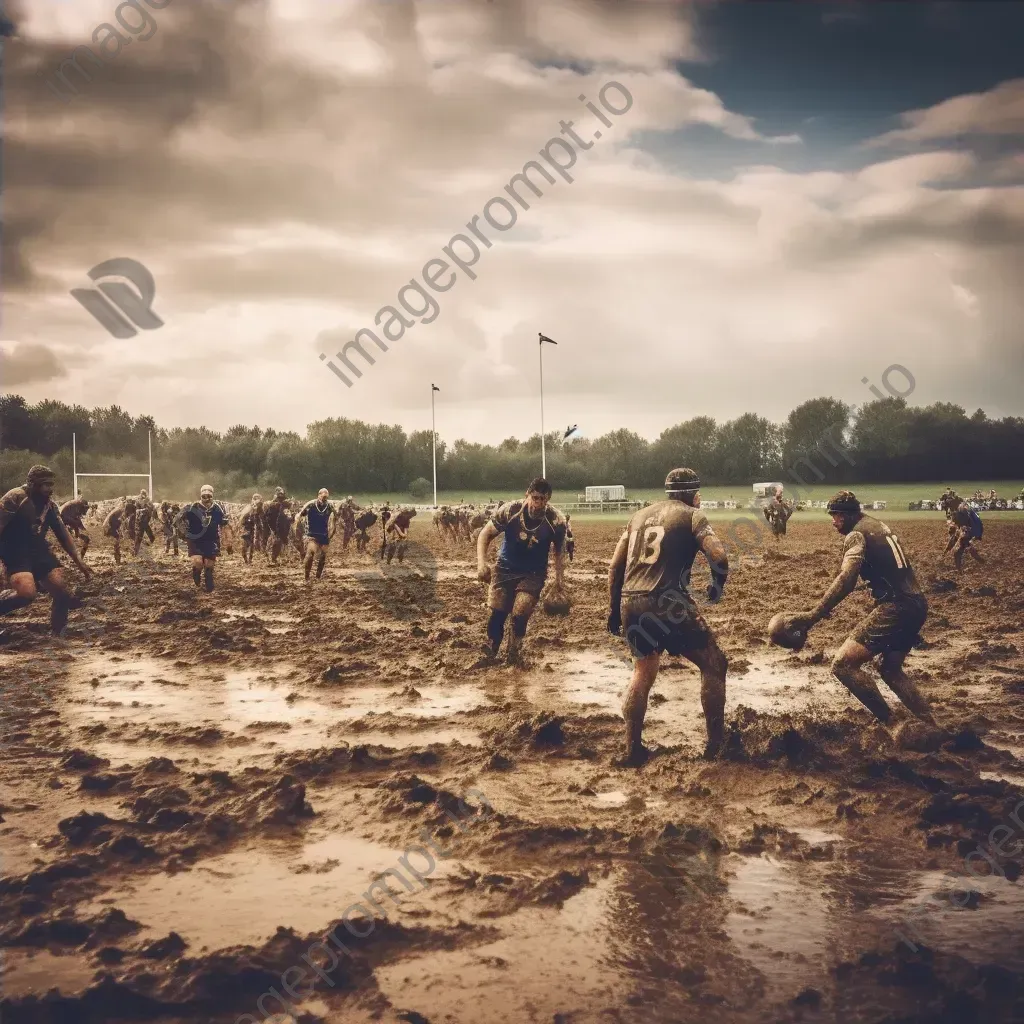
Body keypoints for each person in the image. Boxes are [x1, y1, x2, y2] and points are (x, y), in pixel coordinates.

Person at [607, 467, 730, 765]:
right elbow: (719, 556)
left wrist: (613, 610)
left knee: (642, 673)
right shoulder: (691, 515)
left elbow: (614, 568)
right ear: (693, 493)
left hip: (631, 603)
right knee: (714, 663)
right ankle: (716, 746)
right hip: (667, 602)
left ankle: (632, 749)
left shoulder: (637, 517)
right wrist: (716, 585)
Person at [787, 491, 939, 730]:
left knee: (843, 665)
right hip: (916, 604)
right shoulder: (877, 525)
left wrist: (813, 615)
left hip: (896, 606)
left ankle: (893, 725)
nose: (832, 521)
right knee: (890, 670)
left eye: (835, 516)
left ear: (847, 515)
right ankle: (930, 723)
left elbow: (846, 579)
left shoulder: (856, 534)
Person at [476, 477, 566, 665]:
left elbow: (559, 551)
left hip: (533, 572)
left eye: (543, 499)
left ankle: (513, 654)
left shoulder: (556, 520)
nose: (538, 503)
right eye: (535, 498)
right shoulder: (510, 511)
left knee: (520, 610)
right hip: (505, 567)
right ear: (527, 494)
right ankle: (491, 650)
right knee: (497, 612)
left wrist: (558, 580)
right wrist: (482, 563)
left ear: (548, 500)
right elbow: (485, 534)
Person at [0, 465, 93, 635]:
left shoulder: (49, 505)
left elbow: (62, 534)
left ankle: (58, 634)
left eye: (51, 484)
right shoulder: (15, 498)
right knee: (27, 593)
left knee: (62, 592)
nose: (50, 489)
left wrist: (79, 561)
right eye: (45, 484)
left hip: (38, 548)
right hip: (14, 549)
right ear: (33, 484)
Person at [174, 484, 229, 592]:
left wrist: (227, 540)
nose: (206, 499)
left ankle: (209, 586)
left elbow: (223, 523)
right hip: (195, 540)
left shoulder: (217, 508)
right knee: (198, 562)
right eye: (204, 496)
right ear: (201, 496)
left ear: (212, 496)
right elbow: (177, 519)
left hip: (211, 539)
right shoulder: (192, 507)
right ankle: (196, 574)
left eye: (209, 496)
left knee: (209, 565)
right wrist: (184, 532)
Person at [296, 489, 335, 581]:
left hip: (324, 534)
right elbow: (300, 515)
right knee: (310, 554)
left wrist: (332, 531)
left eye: (326, 497)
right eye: (323, 497)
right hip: (311, 533)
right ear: (319, 495)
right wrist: (298, 528)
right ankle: (307, 577)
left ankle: (318, 576)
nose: (324, 499)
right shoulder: (311, 505)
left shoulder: (329, 506)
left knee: (323, 556)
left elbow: (335, 517)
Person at [944, 498, 985, 570]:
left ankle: (959, 570)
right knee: (965, 545)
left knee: (958, 553)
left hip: (966, 532)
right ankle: (981, 561)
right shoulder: (961, 511)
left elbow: (958, 527)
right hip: (968, 531)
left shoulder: (958, 514)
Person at [239, 494, 265, 565]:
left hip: (255, 529)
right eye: (255, 498)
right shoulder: (248, 507)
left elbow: (262, 518)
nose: (256, 500)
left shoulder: (261, 509)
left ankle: (250, 559)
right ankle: (246, 560)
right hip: (247, 528)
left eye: (258, 499)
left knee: (252, 545)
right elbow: (242, 518)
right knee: (244, 546)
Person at [103, 500, 128, 565]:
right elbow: (113, 521)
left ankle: (117, 560)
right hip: (110, 528)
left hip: (109, 527)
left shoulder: (117, 510)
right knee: (117, 543)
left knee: (116, 543)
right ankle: (117, 561)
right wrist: (118, 526)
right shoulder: (119, 511)